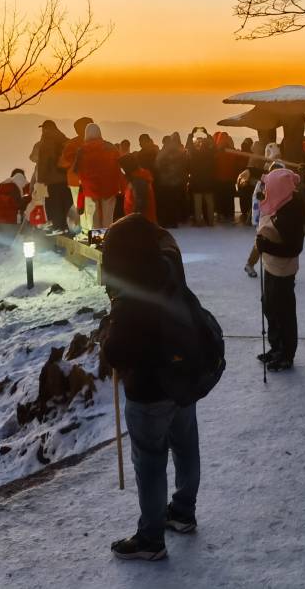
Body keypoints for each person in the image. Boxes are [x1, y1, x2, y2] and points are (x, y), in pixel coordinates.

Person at [100, 215, 203, 562]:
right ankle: (183, 512)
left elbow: (117, 351)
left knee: (150, 460)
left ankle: (151, 538)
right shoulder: (169, 265)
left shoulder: (131, 292)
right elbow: (163, 237)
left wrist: (106, 334)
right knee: (186, 444)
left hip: (148, 390)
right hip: (182, 377)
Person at [255, 167, 305, 371]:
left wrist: (266, 246)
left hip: (283, 269)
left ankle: (286, 353)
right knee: (269, 305)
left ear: (279, 189)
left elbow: (294, 248)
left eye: (269, 187)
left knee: (283, 310)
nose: (266, 190)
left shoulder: (290, 212)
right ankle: (276, 347)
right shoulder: (279, 203)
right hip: (271, 265)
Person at [244, 143, 283, 278]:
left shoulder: (284, 179)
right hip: (266, 216)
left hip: (280, 216)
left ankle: (278, 268)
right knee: (262, 240)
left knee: (281, 241)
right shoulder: (264, 181)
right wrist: (257, 218)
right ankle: (250, 263)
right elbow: (257, 199)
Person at [73, 123, 122, 233]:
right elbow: (118, 164)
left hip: (91, 189)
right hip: (109, 187)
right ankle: (109, 238)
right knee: (108, 216)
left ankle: (97, 241)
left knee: (94, 216)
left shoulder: (81, 150)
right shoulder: (110, 147)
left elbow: (76, 170)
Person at [31, 120, 71, 233]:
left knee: (53, 205)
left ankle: (57, 227)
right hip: (66, 178)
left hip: (52, 179)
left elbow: (42, 162)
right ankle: (67, 226)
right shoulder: (65, 139)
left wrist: (40, 181)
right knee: (66, 204)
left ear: (45, 129)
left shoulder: (45, 143)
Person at [59, 116, 94, 232]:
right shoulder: (99, 143)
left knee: (80, 207)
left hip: (75, 181)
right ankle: (94, 234)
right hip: (94, 180)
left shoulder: (72, 144)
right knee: (93, 209)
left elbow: (63, 163)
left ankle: (85, 233)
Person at [155, 134, 188, 228]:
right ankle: (174, 222)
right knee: (174, 202)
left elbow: (157, 164)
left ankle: (165, 221)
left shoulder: (163, 152)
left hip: (164, 181)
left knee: (165, 202)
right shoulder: (179, 152)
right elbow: (184, 165)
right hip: (176, 181)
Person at [187, 131, 217, 226]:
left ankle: (198, 221)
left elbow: (189, 146)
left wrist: (191, 135)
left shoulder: (195, 154)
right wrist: (208, 135)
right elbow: (214, 146)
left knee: (198, 203)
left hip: (197, 181)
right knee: (209, 202)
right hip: (208, 181)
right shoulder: (210, 154)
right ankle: (211, 221)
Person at [0, 169, 29, 241]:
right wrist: (28, 198)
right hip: (12, 220)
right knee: (14, 243)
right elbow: (18, 204)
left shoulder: (2, 186)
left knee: (5, 244)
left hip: (0, 220)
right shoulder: (14, 187)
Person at [121, 153, 158, 224]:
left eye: (122, 168)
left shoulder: (138, 181)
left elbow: (140, 204)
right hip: (139, 220)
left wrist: (134, 221)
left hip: (140, 223)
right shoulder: (138, 176)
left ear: (127, 167)